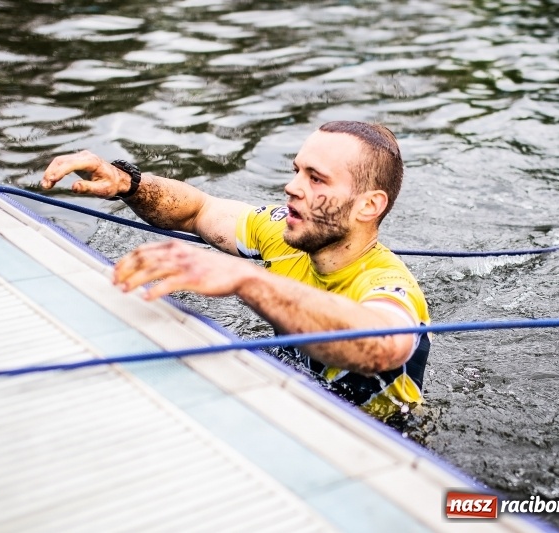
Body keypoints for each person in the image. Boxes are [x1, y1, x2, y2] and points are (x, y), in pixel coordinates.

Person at [41, 121, 430, 418]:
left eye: (315, 178)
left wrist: (247, 278)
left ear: (368, 206)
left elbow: (382, 349)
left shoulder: (388, 284)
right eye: (297, 171)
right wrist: (127, 182)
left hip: (386, 443)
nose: (291, 187)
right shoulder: (283, 233)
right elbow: (199, 210)